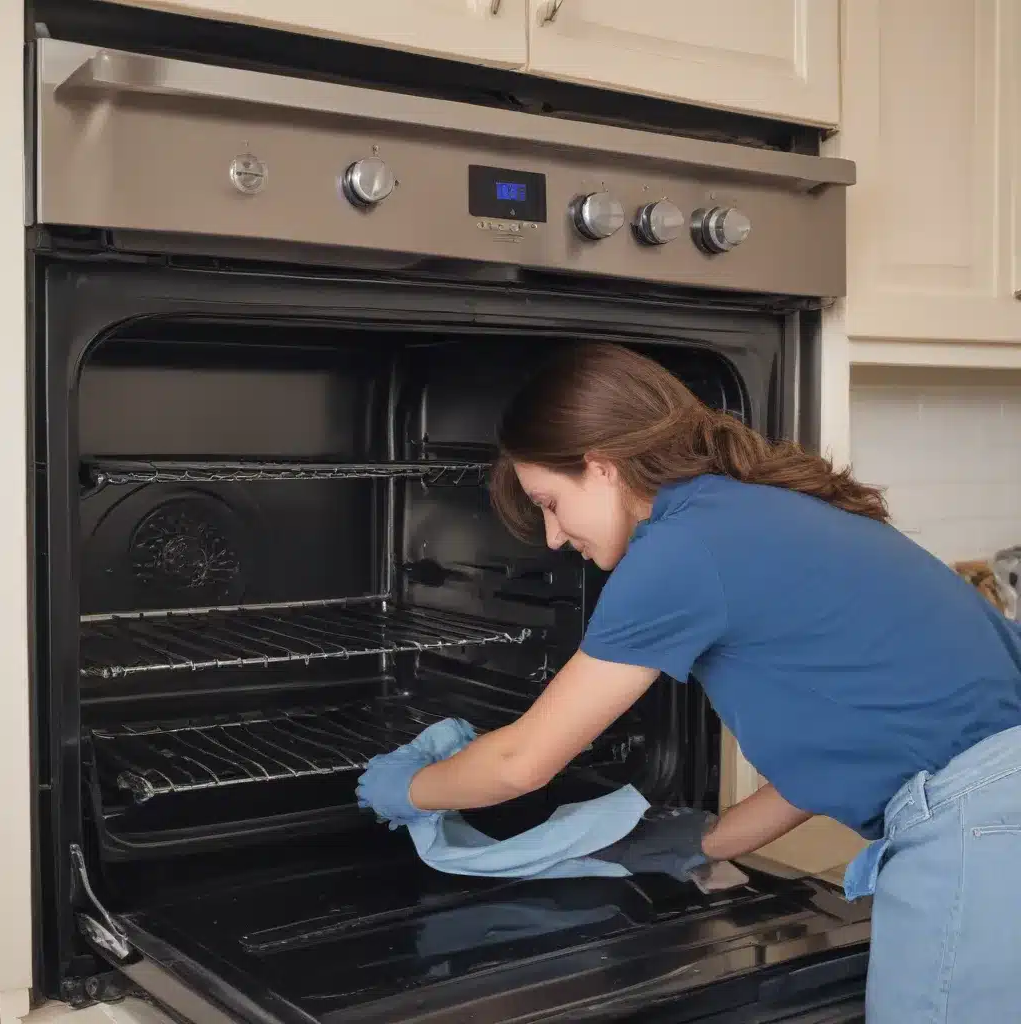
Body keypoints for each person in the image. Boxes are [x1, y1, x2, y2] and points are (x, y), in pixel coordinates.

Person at [357, 342, 1021, 1023]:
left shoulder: (681, 550)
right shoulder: (755, 513)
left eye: (550, 502)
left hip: (982, 833)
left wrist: (403, 790)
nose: (552, 538)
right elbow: (842, 747)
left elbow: (522, 763)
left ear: (602, 466)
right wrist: (705, 841)